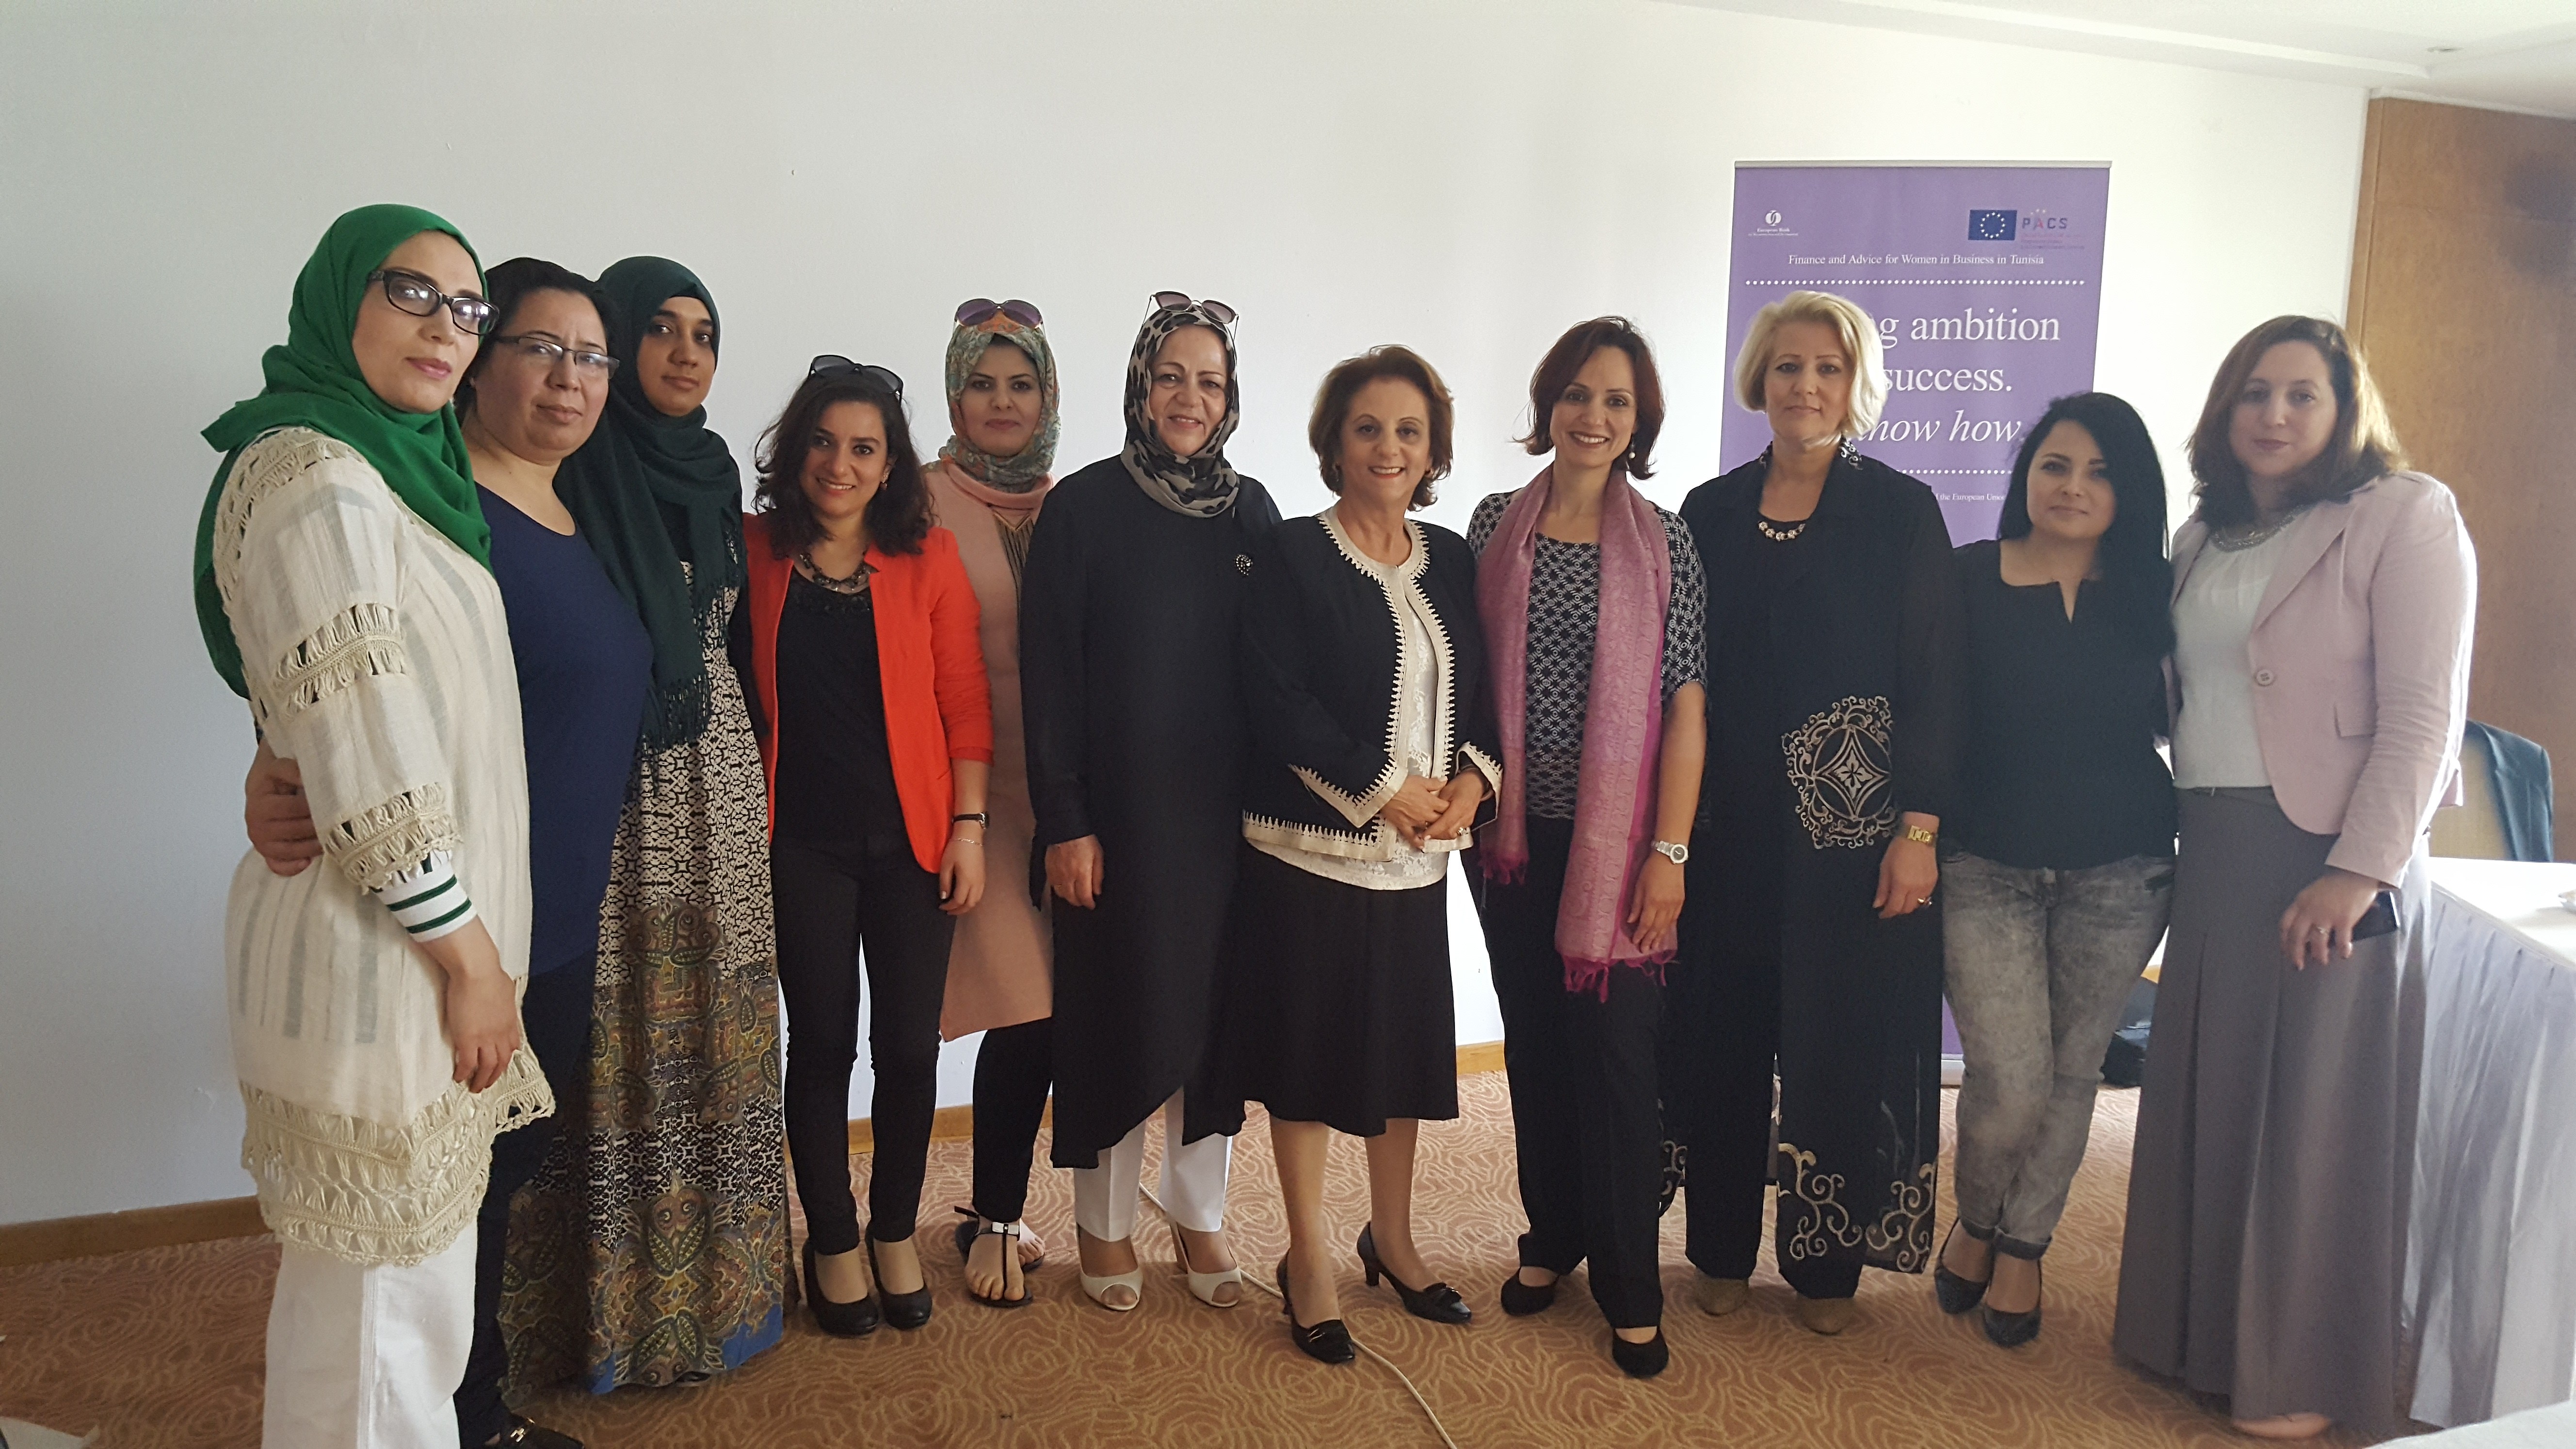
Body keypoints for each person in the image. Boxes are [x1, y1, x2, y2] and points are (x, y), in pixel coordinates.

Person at [197, 203, 550, 1447]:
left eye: (468, 307)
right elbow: (367, 742)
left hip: (409, 950)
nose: (446, 328)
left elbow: (336, 700)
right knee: (380, 1329)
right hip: (390, 957)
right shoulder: (318, 474)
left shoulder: (396, 478)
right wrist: (470, 961)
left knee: (391, 1311)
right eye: (411, 292)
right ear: (338, 298)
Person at [2114, 316, 2474, 1441]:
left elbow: (2423, 716)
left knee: (2312, 1118)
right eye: (2253, 393)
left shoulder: (2403, 515)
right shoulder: (2200, 538)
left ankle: (2302, 1372)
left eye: (2301, 394)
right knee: (2210, 1094)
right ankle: (2194, 1337)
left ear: (2342, 409)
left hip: (2327, 851)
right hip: (2213, 847)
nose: (2272, 414)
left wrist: (2358, 871)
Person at [499, 257, 789, 1393]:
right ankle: (594, 1321)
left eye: (703, 334)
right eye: (659, 329)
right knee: (610, 1039)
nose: (684, 353)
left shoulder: (713, 478)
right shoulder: (570, 468)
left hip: (718, 783)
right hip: (613, 788)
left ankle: (713, 1302)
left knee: (716, 1028)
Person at [1669, 289, 1963, 1337]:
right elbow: (1679, 676)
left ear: (1855, 386)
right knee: (1724, 1039)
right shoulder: (1707, 511)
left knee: (1834, 1046)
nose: (1804, 386)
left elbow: (1935, 679)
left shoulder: (1901, 511)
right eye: (1788, 366)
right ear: (1760, 378)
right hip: (1725, 833)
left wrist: (1919, 831)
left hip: (1852, 840)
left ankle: (1825, 1267)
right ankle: (1717, 1251)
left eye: (1827, 369)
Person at [1209, 346, 1500, 1364]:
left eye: (1409, 431)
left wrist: (1472, 783)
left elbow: (1481, 691)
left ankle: (1396, 1240)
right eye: (1368, 428)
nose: (1389, 447)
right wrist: (1384, 791)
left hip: (1418, 863)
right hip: (1308, 857)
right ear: (1335, 441)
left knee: (1399, 1061)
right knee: (1308, 1064)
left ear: (1434, 450)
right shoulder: (1292, 553)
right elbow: (1275, 700)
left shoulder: (1452, 558)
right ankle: (1308, 1258)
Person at [1018, 294, 1280, 1312]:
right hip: (1116, 824)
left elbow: (1279, 673)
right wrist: (1066, 819)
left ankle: (1197, 1213)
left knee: (1214, 1030)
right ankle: (1103, 1223)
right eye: (1171, 376)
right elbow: (1050, 678)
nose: (1189, 398)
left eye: (1209, 381)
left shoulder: (1252, 513)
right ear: (1139, 385)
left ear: (1230, 397)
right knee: (1114, 1021)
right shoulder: (1082, 508)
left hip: (1227, 828)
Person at [1467, 316, 1706, 1379]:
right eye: (1576, 394)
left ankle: (1629, 1286)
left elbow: (1686, 706)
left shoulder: (1667, 543)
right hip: (1511, 839)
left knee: (1615, 1061)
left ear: (1638, 420)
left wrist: (1671, 853)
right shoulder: (1492, 524)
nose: (1593, 416)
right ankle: (1551, 1234)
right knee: (1534, 1044)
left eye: (1616, 401)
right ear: (1547, 404)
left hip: (1622, 847)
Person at [739, 360, 993, 1336]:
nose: (838, 465)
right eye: (822, 442)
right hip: (800, 845)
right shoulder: (755, 552)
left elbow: (964, 703)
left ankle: (894, 1230)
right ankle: (833, 1237)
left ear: (891, 466)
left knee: (908, 1049)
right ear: (794, 449)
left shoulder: (928, 560)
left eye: (863, 448)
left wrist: (968, 828)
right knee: (821, 1047)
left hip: (914, 845)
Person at [1934, 392, 2174, 1351]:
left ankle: (2021, 1244)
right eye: (2055, 465)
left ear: (2130, 491)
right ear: (2026, 476)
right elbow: (1930, 717)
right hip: (1984, 865)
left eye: (2100, 472)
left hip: (2122, 870)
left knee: (2074, 1074)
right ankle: (1978, 1217)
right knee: (2008, 1080)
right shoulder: (1963, 577)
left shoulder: (2160, 592)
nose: (2073, 487)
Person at [919, 300, 1063, 1309]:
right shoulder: (915, 500)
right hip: (965, 793)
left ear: (1047, 397)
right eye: (982, 383)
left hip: (1065, 796)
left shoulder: (1078, 504)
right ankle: (997, 1215)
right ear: (954, 393)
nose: (1001, 403)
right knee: (1024, 1006)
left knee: (1053, 1010)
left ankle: (992, 1204)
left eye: (1021, 385)